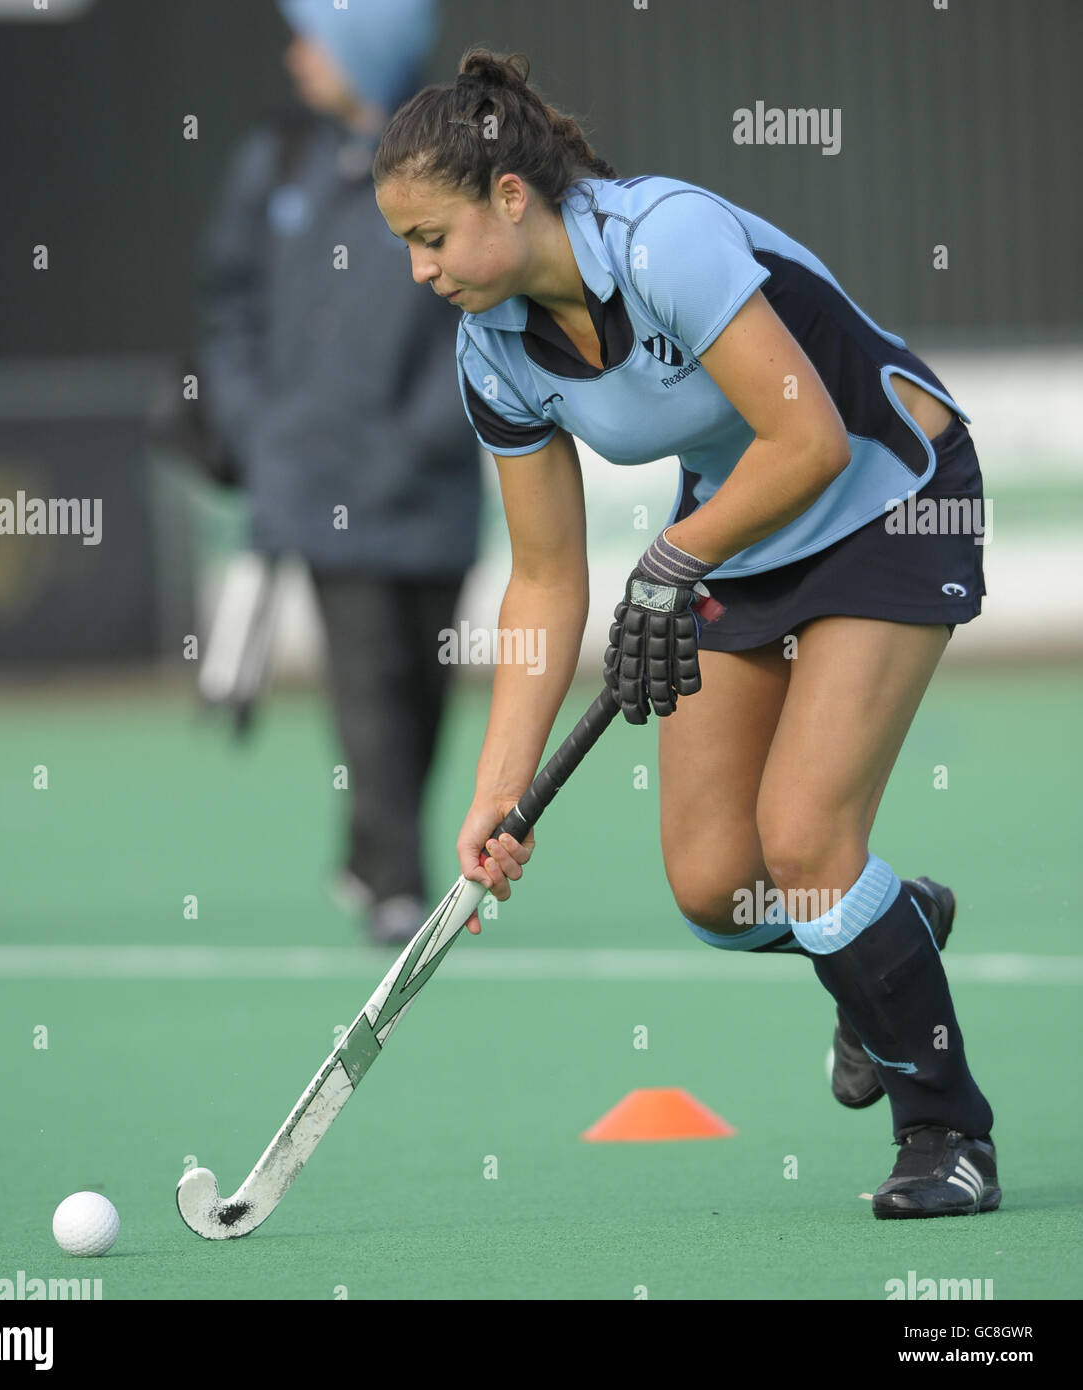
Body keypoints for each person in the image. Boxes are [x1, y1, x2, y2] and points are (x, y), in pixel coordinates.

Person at [372, 48, 998, 1218]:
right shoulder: (491, 349)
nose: (418, 269)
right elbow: (544, 580)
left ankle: (945, 1131)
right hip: (739, 530)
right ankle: (893, 926)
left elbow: (805, 442)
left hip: (887, 495)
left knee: (805, 840)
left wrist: (671, 559)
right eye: (405, 245)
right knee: (719, 886)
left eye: (431, 236)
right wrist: (493, 796)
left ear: (509, 195)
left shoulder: (662, 241)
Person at [198, 0, 480, 946]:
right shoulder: (274, 161)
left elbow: (485, 314)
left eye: (314, 35)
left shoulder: (456, 161)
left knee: (426, 685)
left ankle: (370, 856)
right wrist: (255, 422)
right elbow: (228, 306)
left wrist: (422, 435)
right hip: (324, 486)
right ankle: (397, 882)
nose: (295, 54)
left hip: (431, 487)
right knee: (366, 681)